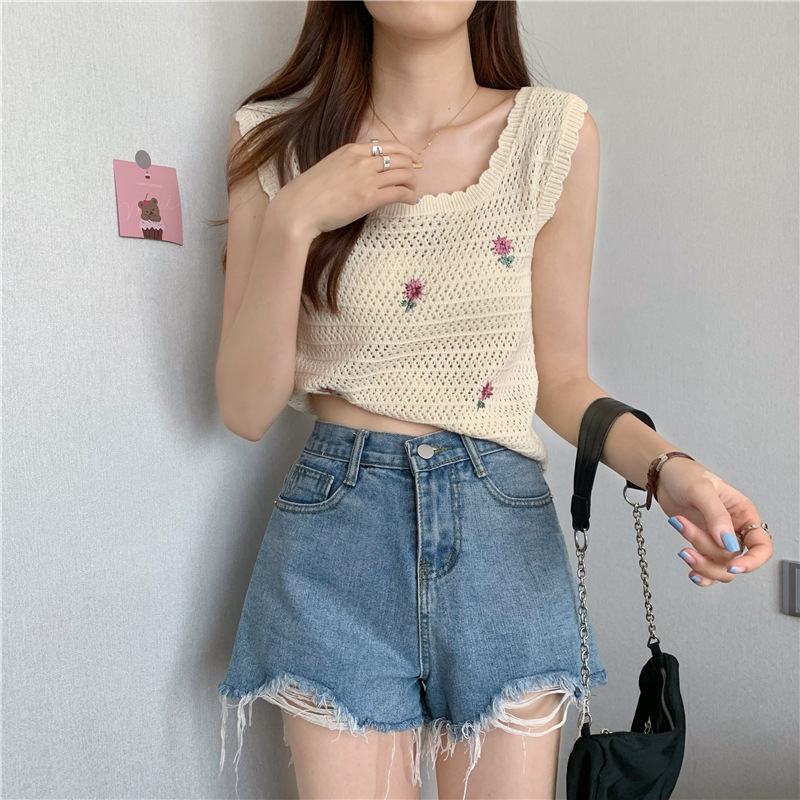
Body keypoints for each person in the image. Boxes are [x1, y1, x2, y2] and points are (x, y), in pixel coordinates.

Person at [213, 2, 774, 798]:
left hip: (501, 536)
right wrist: (294, 218)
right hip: (337, 540)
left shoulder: (553, 135)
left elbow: (562, 378)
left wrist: (670, 471)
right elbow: (244, 409)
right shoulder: (270, 138)